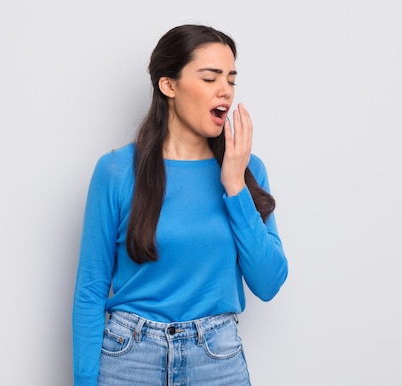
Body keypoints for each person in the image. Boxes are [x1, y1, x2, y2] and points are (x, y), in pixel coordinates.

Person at [72, 24, 288, 386]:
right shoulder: (116, 171)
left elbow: (268, 282)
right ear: (168, 85)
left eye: (231, 80)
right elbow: (91, 288)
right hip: (130, 359)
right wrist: (83, 380)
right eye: (210, 78)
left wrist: (235, 186)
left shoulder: (248, 170)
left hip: (217, 359)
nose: (226, 91)